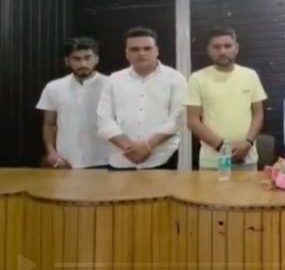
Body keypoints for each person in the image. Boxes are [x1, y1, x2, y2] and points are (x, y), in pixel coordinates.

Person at [97, 27, 186, 170]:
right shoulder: (113, 80)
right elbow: (104, 120)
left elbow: (177, 118)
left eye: (147, 48)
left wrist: (148, 146)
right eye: (135, 49)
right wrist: (129, 148)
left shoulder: (175, 78)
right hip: (121, 157)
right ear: (126, 53)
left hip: (161, 157)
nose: (141, 53)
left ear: (157, 51)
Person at [186, 27, 267, 171]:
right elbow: (193, 121)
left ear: (236, 48)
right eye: (216, 47)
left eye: (227, 46)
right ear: (209, 50)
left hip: (247, 158)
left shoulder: (250, 75)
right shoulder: (197, 78)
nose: (222, 51)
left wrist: (248, 144)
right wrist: (223, 147)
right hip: (212, 162)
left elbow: (258, 114)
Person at [36, 37, 109, 169]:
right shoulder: (54, 87)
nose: (83, 64)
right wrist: (51, 153)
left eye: (87, 58)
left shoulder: (110, 85)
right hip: (67, 160)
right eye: (76, 59)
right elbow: (49, 124)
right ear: (67, 61)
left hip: (105, 159)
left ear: (96, 59)